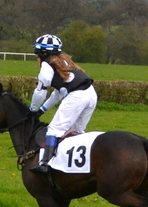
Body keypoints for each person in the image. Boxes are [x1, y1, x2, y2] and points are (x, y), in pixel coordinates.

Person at [28, 34, 98, 174]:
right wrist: (42, 110)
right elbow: (59, 93)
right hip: (91, 95)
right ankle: (77, 166)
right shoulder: (64, 62)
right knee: (77, 131)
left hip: (77, 96)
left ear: (44, 53)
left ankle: (45, 164)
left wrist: (33, 109)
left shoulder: (47, 65)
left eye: (37, 54)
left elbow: (40, 91)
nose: (36, 58)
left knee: (54, 129)